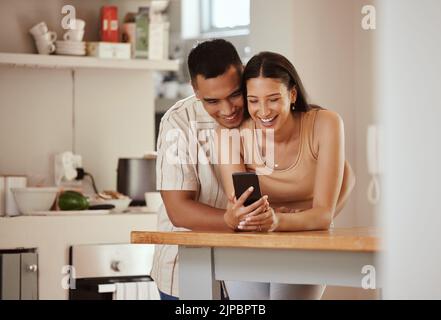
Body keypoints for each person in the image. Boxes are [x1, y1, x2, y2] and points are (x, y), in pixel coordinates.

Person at [152, 40, 355, 300]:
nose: (227, 110)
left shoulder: (305, 121)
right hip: (191, 260)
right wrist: (235, 219)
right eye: (213, 101)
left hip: (263, 243)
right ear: (196, 91)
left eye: (235, 95)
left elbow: (342, 180)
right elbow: (179, 210)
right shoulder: (182, 122)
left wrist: (302, 222)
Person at [216, 51, 355, 299]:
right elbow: (241, 212)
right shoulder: (232, 135)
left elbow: (323, 214)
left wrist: (278, 221)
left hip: (306, 240)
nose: (263, 111)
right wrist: (235, 216)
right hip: (251, 242)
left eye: (272, 99)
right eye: (254, 100)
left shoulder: (326, 124)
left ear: (292, 94)